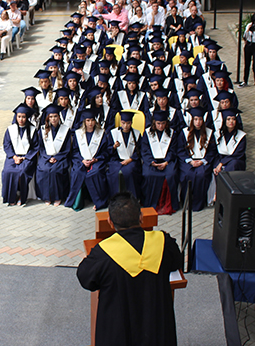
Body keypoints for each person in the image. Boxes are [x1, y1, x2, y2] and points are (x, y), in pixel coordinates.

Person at [77, 192, 183, 345]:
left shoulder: (103, 253)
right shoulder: (163, 243)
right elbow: (176, 262)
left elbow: (85, 279)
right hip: (157, 333)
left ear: (110, 222)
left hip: (118, 335)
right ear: (141, 217)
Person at [65, 108, 109, 211]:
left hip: (97, 161)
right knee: (77, 171)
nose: (90, 123)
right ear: (84, 121)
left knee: (95, 172)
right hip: (81, 160)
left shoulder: (101, 134)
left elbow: (105, 152)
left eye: (92, 120)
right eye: (88, 120)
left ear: (95, 121)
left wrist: (97, 159)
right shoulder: (78, 133)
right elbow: (75, 151)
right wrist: (82, 160)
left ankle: (99, 202)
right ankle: (76, 201)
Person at [141, 111, 180, 214]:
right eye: (158, 123)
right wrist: (151, 162)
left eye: (163, 123)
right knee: (148, 174)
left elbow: (173, 150)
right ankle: (150, 203)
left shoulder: (172, 133)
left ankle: (169, 204)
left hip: (167, 161)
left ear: (166, 123)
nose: (161, 126)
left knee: (171, 174)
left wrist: (166, 162)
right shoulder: (147, 133)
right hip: (152, 161)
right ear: (154, 123)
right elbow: (145, 150)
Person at [178, 106, 216, 211]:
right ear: (192, 120)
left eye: (200, 119)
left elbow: (212, 151)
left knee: (201, 175)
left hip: (203, 161)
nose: (198, 122)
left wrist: (202, 161)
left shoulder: (209, 132)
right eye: (195, 119)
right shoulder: (184, 132)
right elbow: (180, 150)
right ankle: (186, 202)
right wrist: (190, 161)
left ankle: (198, 203)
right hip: (188, 161)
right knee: (187, 174)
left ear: (203, 120)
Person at [2, 104, 39, 205]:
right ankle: (11, 196)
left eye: (23, 117)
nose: (21, 119)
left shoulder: (32, 130)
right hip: (13, 157)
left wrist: (25, 157)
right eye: (19, 116)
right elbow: (7, 145)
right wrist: (14, 157)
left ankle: (22, 196)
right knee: (8, 171)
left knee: (22, 172)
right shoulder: (10, 129)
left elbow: (35, 147)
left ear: (27, 117)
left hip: (28, 157)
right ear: (16, 117)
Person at [35, 104, 71, 206]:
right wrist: (48, 158)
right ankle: (46, 196)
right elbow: (41, 148)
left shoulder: (65, 130)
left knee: (55, 171)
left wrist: (56, 157)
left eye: (55, 116)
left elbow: (67, 148)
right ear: (48, 118)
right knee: (44, 170)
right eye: (51, 117)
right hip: (46, 157)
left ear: (59, 117)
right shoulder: (42, 130)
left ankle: (57, 197)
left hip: (61, 157)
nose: (53, 119)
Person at [106, 110, 142, 199]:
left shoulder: (137, 134)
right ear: (120, 123)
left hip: (131, 160)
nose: (125, 126)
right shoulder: (113, 133)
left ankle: (132, 198)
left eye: (128, 123)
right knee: (113, 173)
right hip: (117, 160)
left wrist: (130, 159)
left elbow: (140, 150)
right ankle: (115, 198)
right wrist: (114, 147)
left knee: (129, 171)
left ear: (131, 123)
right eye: (123, 123)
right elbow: (107, 150)